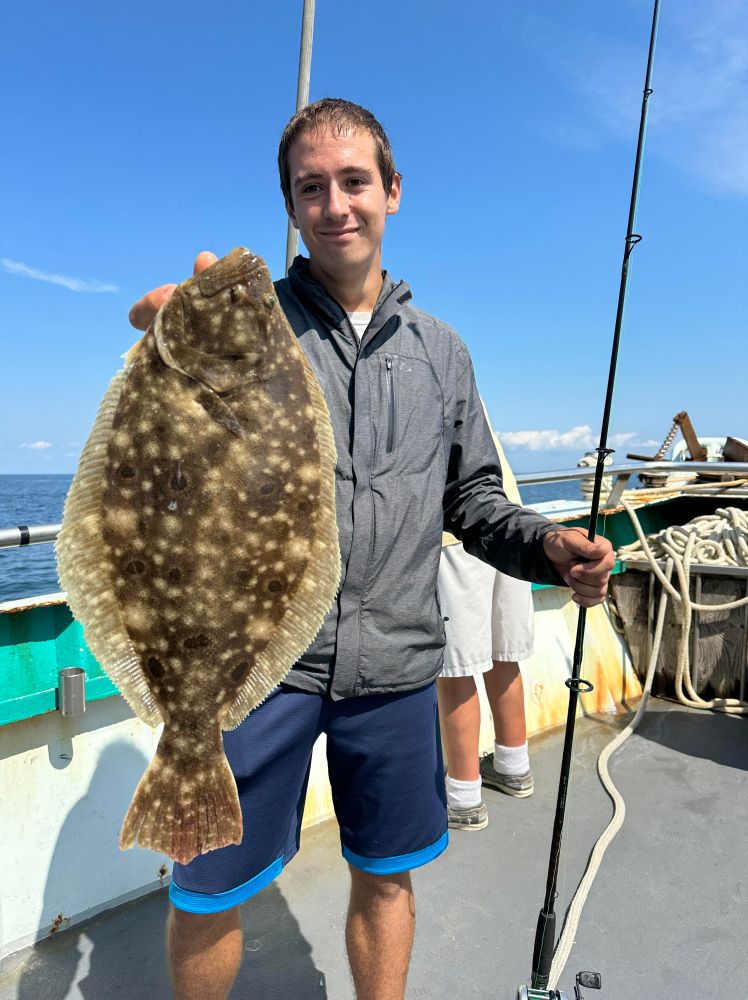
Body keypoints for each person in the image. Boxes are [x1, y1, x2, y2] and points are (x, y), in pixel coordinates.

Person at [128, 98, 615, 1000]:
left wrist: (549, 545)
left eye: (355, 181)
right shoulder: (251, 326)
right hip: (254, 668)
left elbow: (472, 501)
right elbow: (160, 380)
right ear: (292, 207)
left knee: (385, 874)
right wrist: (167, 324)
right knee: (207, 888)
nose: (336, 203)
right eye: (311, 188)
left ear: (392, 192)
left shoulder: (443, 354)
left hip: (393, 663)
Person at [437, 426, 535, 832]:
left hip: (455, 533)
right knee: (502, 652)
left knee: (455, 668)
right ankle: (514, 767)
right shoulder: (464, 382)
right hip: (507, 523)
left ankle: (464, 797)